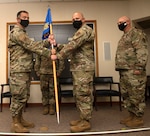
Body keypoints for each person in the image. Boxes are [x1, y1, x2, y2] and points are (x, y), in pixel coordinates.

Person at [50, 12, 95, 132]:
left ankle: (85, 122)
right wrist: (57, 45)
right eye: (73, 19)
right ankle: (82, 118)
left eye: (77, 18)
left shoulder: (84, 30)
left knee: (83, 95)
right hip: (79, 68)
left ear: (83, 19)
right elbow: (73, 46)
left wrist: (58, 56)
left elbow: (72, 46)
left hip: (83, 69)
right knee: (79, 94)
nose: (75, 20)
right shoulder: (80, 31)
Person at [8, 10, 52, 133]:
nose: (26, 19)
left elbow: (32, 44)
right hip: (19, 71)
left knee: (24, 96)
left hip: (24, 69)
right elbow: (31, 46)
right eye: (24, 17)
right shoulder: (17, 32)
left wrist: (47, 42)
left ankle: (20, 119)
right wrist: (50, 54)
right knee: (18, 97)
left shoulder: (23, 33)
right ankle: (15, 123)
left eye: (28, 17)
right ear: (18, 19)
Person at [115, 16, 149, 128]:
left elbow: (142, 51)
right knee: (127, 95)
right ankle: (131, 115)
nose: (119, 24)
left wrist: (139, 68)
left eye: (121, 22)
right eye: (118, 23)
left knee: (136, 95)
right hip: (125, 72)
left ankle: (138, 118)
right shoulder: (124, 36)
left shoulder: (136, 34)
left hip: (134, 72)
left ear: (128, 22)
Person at [34, 44, 64, 115]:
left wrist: (59, 71)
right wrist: (38, 72)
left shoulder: (56, 49)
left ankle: (52, 107)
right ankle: (45, 106)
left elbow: (61, 61)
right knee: (44, 91)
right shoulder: (41, 49)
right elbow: (37, 62)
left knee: (52, 91)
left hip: (53, 74)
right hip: (43, 74)